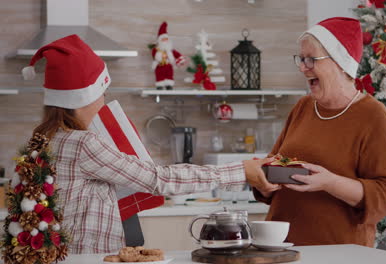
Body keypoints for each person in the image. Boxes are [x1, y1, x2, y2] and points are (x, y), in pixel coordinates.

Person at [21, 34, 279, 254]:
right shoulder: (83, 144)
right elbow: (160, 179)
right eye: (103, 91)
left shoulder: (44, 139)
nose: (104, 98)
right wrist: (241, 170)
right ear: (88, 95)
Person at [253, 17, 386, 247]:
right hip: (281, 249)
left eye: (311, 59)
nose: (303, 67)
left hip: (338, 251)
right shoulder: (303, 107)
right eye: (301, 59)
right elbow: (274, 165)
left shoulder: (373, 115)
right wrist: (263, 179)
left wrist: (330, 183)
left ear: (339, 62)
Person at [150, 21, 186, 90]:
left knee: (169, 75)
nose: (165, 41)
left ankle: (169, 85)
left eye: (166, 39)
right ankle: (159, 86)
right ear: (159, 40)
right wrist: (158, 52)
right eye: (163, 39)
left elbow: (177, 54)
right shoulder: (156, 49)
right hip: (160, 65)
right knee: (159, 75)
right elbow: (154, 55)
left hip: (168, 65)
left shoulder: (171, 50)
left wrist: (180, 58)